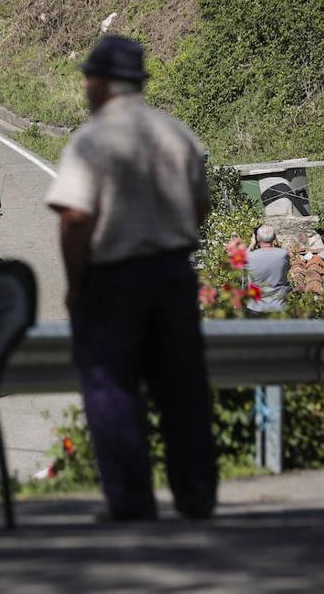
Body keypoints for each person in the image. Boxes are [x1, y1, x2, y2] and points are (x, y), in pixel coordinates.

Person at [45, 34, 217, 523]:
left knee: (113, 388)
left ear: (102, 83)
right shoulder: (176, 134)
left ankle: (130, 500)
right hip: (173, 274)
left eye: (88, 77)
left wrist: (77, 286)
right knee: (182, 387)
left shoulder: (93, 140)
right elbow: (200, 206)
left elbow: (76, 219)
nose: (85, 86)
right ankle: (196, 495)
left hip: (115, 279)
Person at [246, 225, 290, 315]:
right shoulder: (283, 255)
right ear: (274, 237)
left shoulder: (250, 257)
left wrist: (252, 245)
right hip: (278, 306)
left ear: (257, 238)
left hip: (256, 307)